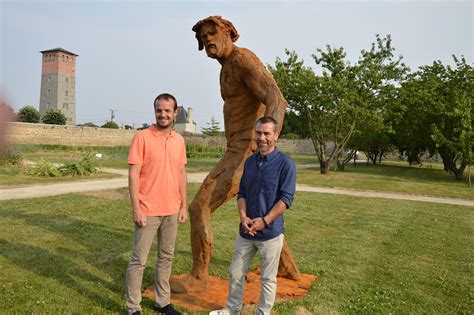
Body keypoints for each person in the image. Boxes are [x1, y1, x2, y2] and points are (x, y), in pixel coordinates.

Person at [182, 15, 299, 291]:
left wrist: (265, 146)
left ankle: (199, 279)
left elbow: (276, 100)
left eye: (212, 33)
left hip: (245, 152)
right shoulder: (226, 68)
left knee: (200, 207)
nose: (207, 39)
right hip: (237, 150)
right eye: (202, 36)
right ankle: (287, 268)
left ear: (229, 34)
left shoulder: (243, 59)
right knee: (256, 209)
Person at [210, 116, 296, 315]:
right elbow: (242, 194)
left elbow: (286, 199)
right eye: (259, 133)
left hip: (270, 233)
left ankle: (262, 313)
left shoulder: (286, 164)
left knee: (267, 279)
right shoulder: (249, 162)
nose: (262, 138)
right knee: (236, 272)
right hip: (246, 231)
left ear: (276, 135)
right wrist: (243, 216)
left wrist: (265, 221)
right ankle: (232, 309)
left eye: (267, 133)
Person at [125, 93, 187, 315]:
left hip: (172, 210)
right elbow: (133, 175)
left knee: (166, 258)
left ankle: (163, 302)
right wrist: (136, 208)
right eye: (159, 110)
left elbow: (181, 173)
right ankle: (133, 308)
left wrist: (183, 206)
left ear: (175, 112)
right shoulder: (142, 137)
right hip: (148, 211)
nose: (163, 114)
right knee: (139, 261)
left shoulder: (179, 141)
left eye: (167, 111)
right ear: (155, 112)